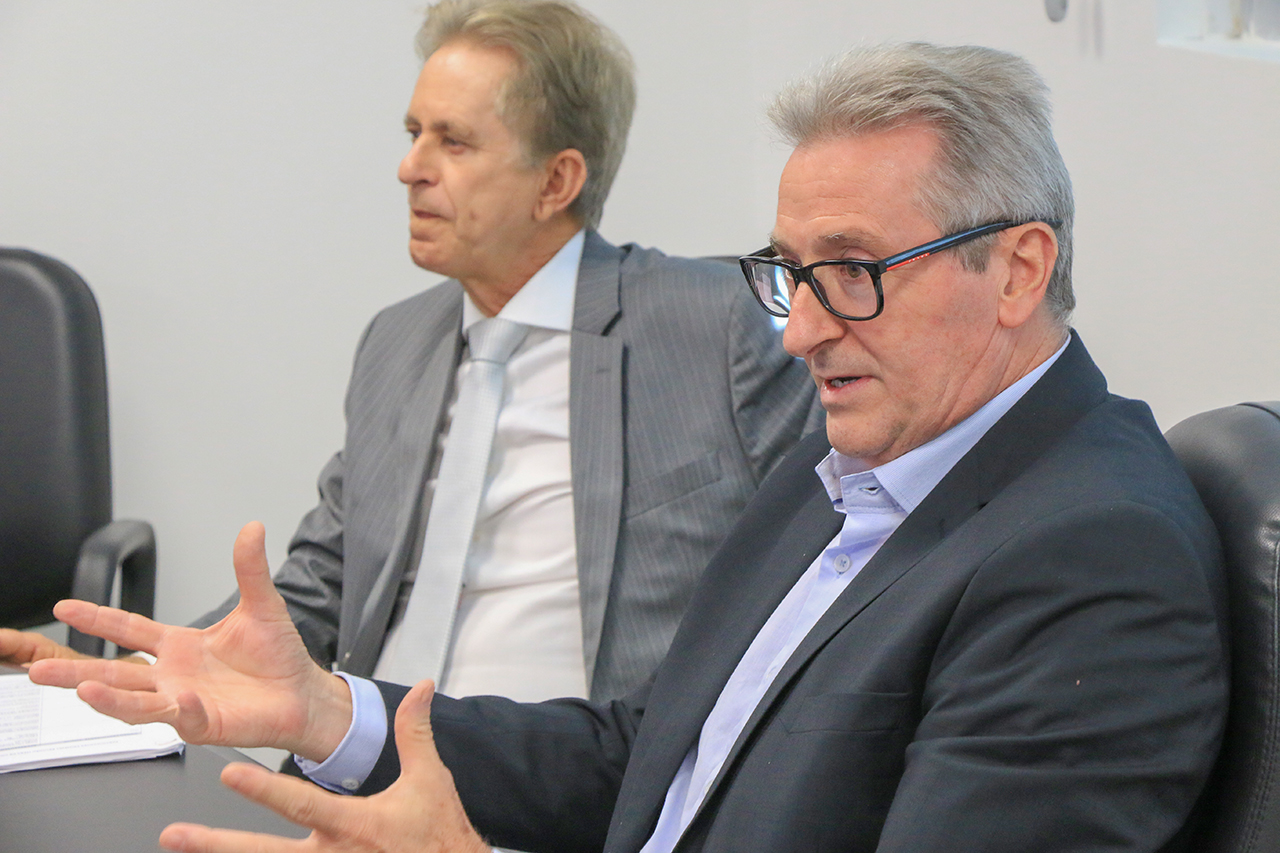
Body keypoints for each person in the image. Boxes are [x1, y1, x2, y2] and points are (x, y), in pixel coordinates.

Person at [28, 42, 1228, 853]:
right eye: (787, 274)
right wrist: (326, 712)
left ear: (1016, 268)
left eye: (851, 273)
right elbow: (637, 757)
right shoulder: (859, 470)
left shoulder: (1091, 558)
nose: (801, 329)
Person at [1, 0, 820, 706]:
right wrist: (155, 667)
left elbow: (829, 570)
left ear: (556, 181)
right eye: (413, 132)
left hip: (569, 790)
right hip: (356, 764)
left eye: (453, 143)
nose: (409, 168)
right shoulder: (398, 340)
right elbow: (324, 577)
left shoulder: (717, 326)